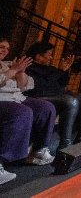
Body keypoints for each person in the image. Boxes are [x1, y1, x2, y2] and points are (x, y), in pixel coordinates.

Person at [0, 37, 56, 185]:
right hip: (2, 99)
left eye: (7, 48)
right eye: (1, 47)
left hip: (16, 97)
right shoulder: (10, 67)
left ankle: (38, 151)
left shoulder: (7, 64)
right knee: (22, 112)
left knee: (46, 107)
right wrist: (13, 70)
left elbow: (24, 86)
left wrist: (20, 72)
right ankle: (2, 161)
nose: (5, 50)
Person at [24, 41, 81, 149]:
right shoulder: (29, 68)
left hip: (56, 94)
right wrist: (60, 71)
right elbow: (41, 85)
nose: (51, 58)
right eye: (49, 55)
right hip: (39, 95)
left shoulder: (50, 68)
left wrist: (64, 71)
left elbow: (62, 83)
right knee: (71, 102)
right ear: (38, 56)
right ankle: (65, 143)